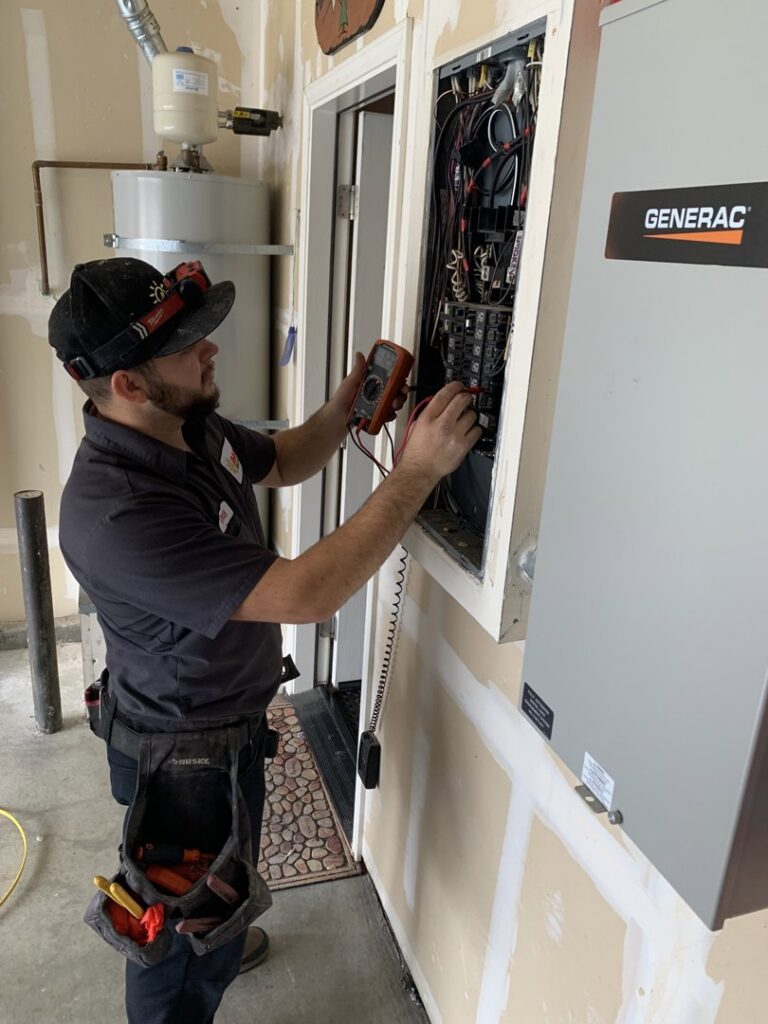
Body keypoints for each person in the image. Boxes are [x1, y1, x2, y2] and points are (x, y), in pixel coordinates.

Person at [50, 256, 480, 1024]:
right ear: (127, 383)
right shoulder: (119, 512)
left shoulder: (185, 424)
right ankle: (195, 959)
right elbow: (309, 593)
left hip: (225, 733)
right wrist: (414, 476)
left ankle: (217, 929)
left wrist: (349, 407)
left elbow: (282, 460)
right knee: (174, 941)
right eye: (189, 345)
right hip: (182, 757)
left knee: (217, 893)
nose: (212, 349)